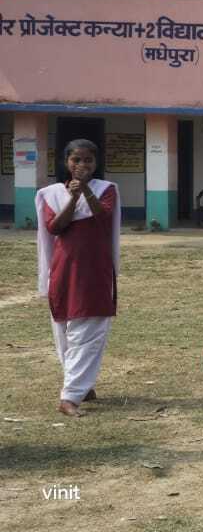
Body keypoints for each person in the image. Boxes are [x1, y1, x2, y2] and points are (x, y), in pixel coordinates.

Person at [36, 139, 121, 418]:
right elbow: (55, 227)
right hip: (64, 268)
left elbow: (102, 217)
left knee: (89, 330)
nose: (82, 165)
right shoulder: (51, 195)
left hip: (95, 270)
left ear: (96, 164)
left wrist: (85, 190)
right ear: (66, 163)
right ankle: (79, 385)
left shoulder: (106, 190)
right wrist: (73, 197)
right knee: (64, 329)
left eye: (88, 160)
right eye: (76, 160)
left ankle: (71, 395)